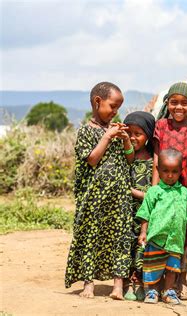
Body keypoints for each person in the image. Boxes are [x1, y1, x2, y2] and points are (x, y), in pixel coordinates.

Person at [65, 82, 134, 300]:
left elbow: (130, 159)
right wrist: (107, 137)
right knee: (91, 236)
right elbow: (92, 159)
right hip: (93, 199)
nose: (115, 112)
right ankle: (88, 284)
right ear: (97, 102)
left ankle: (117, 286)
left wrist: (125, 140)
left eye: (118, 108)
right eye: (112, 106)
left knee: (120, 237)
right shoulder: (86, 131)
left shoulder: (116, 129)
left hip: (119, 196)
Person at [152, 82, 187, 299]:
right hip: (165, 187)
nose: (179, 107)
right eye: (174, 102)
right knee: (163, 231)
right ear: (167, 104)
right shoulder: (161, 126)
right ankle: (161, 279)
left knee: (185, 236)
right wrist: (155, 189)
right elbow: (156, 156)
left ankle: (181, 282)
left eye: (184, 103)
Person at [136, 149, 187, 304]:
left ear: (180, 171)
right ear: (158, 170)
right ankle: (152, 291)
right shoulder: (154, 192)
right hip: (156, 238)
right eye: (165, 171)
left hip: (175, 240)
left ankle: (168, 292)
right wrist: (143, 232)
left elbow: (186, 216)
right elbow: (145, 213)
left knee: (172, 268)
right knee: (153, 266)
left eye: (174, 171)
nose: (170, 175)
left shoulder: (184, 192)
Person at [122, 111, 156, 301]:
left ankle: (142, 282)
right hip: (126, 212)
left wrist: (133, 192)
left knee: (142, 246)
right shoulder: (124, 157)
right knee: (126, 246)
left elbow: (152, 193)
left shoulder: (153, 161)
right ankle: (128, 284)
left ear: (148, 136)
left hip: (145, 213)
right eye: (130, 133)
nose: (133, 138)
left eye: (138, 133)